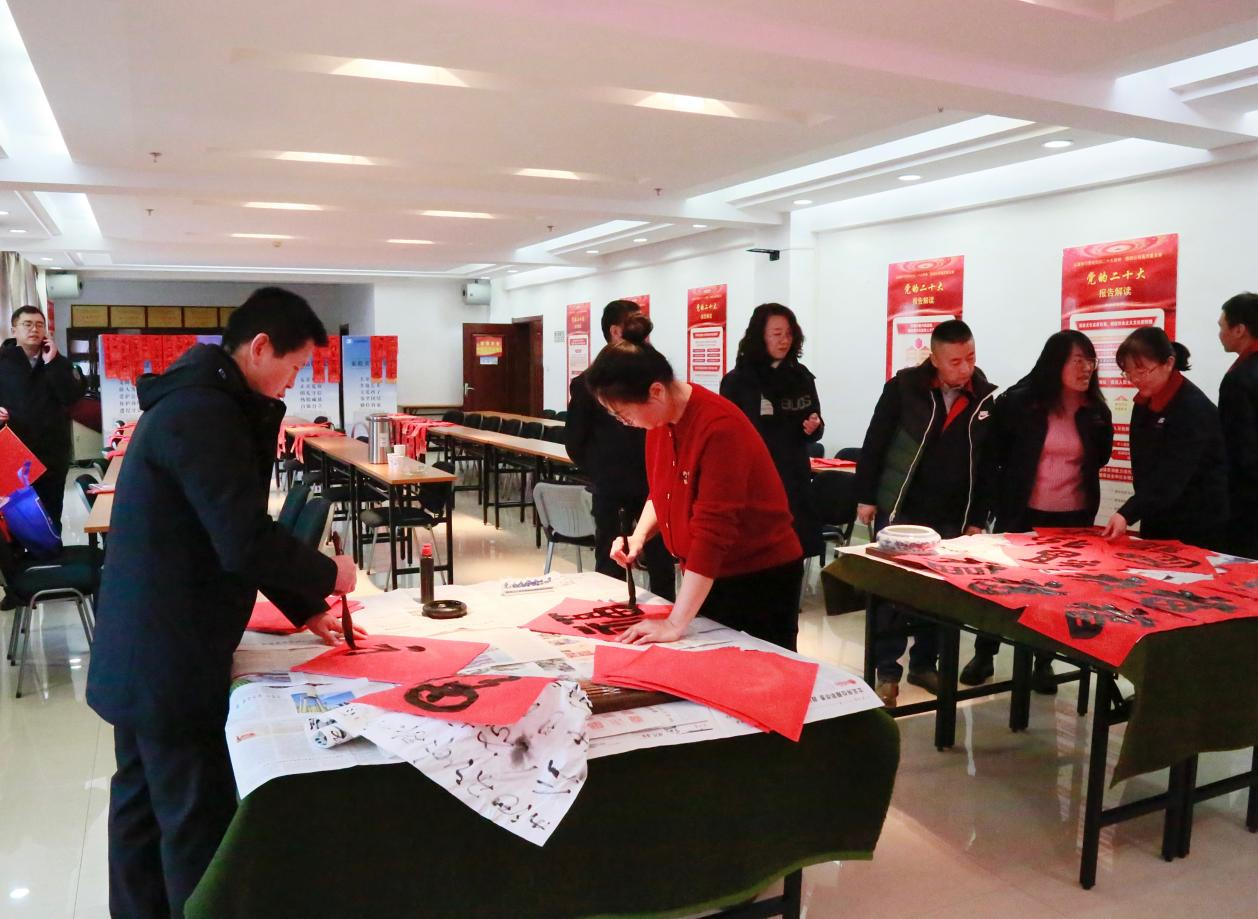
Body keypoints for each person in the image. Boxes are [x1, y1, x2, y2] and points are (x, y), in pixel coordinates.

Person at [86, 287, 360, 919]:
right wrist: (331, 575)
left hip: (144, 646)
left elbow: (227, 529)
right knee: (190, 820)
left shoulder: (200, 401)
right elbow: (241, 538)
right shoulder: (203, 413)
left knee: (140, 809)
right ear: (260, 347)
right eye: (294, 366)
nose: (295, 381)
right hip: (169, 656)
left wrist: (305, 605)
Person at [582, 314, 803, 650]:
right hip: (707, 573)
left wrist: (675, 623)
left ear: (656, 391)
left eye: (624, 414)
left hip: (757, 577)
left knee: (755, 670)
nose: (624, 422)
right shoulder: (661, 422)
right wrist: (639, 536)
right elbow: (663, 491)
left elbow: (713, 533)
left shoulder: (719, 428)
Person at [853, 320, 996, 706]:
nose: (965, 368)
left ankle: (924, 663)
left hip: (952, 513)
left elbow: (987, 464)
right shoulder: (904, 388)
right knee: (893, 593)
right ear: (934, 359)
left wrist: (977, 518)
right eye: (955, 361)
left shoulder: (983, 396)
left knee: (940, 595)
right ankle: (887, 670)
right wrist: (866, 496)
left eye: (970, 358)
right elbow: (875, 441)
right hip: (903, 506)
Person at [960, 330, 1113, 692]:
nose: (1086, 368)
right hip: (1022, 513)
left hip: (1072, 520)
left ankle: (1042, 662)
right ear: (1055, 362)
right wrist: (978, 516)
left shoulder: (1095, 411)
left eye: (1090, 361)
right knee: (1003, 588)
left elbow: (1100, 458)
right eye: (1077, 360)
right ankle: (985, 653)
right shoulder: (1019, 403)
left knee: (1054, 594)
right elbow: (991, 462)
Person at [565, 300, 675, 600]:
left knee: (661, 554)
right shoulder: (589, 383)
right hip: (611, 484)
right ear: (615, 331)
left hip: (652, 480)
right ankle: (609, 606)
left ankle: (667, 607)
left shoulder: (654, 373)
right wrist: (602, 471)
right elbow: (575, 441)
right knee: (610, 553)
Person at [1101, 327, 1228, 551]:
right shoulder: (1144, 402)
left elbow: (1173, 473)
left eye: (1142, 371)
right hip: (1158, 514)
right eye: (1128, 373)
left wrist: (1127, 513)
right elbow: (1144, 468)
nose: (1135, 379)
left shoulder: (1192, 408)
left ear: (1168, 363)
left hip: (1196, 522)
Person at [720, 303, 824, 560]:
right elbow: (727, 437)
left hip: (794, 476)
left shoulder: (801, 376)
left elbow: (815, 422)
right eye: (777, 334)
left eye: (789, 334)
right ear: (760, 336)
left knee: (795, 548)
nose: (784, 340)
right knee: (760, 552)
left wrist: (814, 426)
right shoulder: (738, 381)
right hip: (754, 479)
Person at [0, 305, 86, 531]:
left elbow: (72, 397)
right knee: (14, 519)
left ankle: (51, 552)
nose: (34, 329)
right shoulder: (2, 362)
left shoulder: (59, 362)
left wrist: (52, 363)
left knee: (51, 515)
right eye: (27, 324)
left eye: (39, 325)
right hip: (12, 454)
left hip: (52, 453)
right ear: (14, 330)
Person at [1216, 292, 1258, 558]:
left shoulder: (1239, 378)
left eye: (1222, 326)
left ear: (1239, 330)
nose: (1220, 334)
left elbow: (1238, 448)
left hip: (1248, 502)